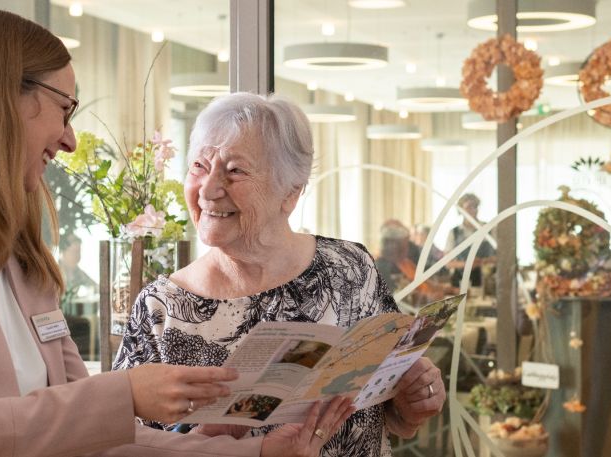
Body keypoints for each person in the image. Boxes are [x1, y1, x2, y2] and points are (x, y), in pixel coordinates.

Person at [0, 9, 349, 457]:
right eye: (65, 110)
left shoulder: (14, 247)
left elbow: (90, 434)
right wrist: (125, 396)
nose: (70, 140)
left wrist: (253, 450)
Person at [115, 93, 446, 457]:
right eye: (199, 165)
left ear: (290, 193)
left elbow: (388, 411)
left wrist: (413, 401)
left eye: (235, 170)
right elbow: (119, 442)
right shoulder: (162, 308)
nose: (209, 189)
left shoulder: (351, 268)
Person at [446, 193, 495, 287]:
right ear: (460, 210)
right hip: (460, 282)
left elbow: (498, 256)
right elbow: (448, 262)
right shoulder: (454, 232)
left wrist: (482, 261)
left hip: (484, 282)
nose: (472, 210)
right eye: (468, 207)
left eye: (475, 206)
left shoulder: (488, 229)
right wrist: (467, 264)